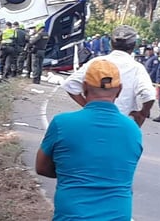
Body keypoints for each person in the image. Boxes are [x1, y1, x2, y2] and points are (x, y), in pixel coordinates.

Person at [36, 60, 142, 220]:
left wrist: (72, 175)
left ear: (84, 87)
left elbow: (42, 167)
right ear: (119, 90)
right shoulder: (133, 129)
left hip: (73, 215)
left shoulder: (62, 123)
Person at [62, 25, 156, 127]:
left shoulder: (96, 62)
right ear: (134, 46)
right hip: (119, 125)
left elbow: (70, 84)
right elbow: (149, 95)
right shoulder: (137, 68)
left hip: (92, 121)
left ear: (111, 43)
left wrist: (87, 106)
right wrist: (141, 115)